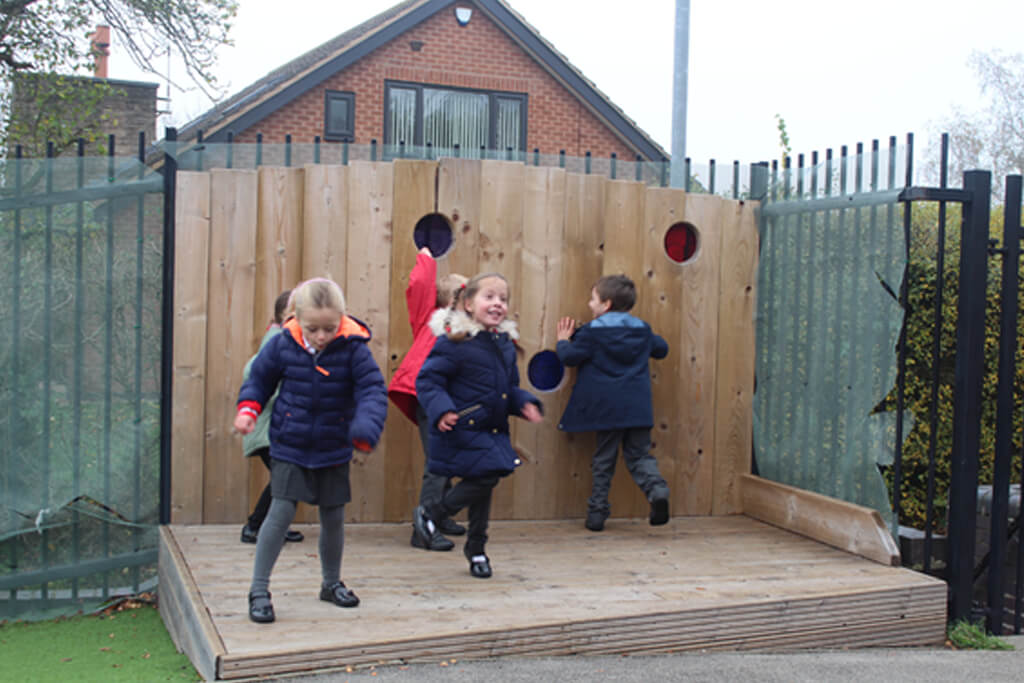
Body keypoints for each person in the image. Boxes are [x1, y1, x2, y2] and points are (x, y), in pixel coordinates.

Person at [234, 278, 387, 623]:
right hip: (291, 442)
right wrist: (248, 409)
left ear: (342, 319)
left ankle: (330, 584)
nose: (321, 336)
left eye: (329, 328)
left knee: (333, 516)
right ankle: (259, 589)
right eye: (313, 328)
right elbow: (259, 379)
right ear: (295, 318)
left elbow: (372, 391)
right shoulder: (284, 344)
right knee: (281, 510)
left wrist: (366, 426)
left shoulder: (353, 347)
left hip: (333, 445)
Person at [412, 272, 543, 578]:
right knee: (487, 479)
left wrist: (523, 402)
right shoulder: (455, 342)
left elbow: (508, 388)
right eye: (489, 297)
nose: (497, 303)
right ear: (469, 304)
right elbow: (428, 380)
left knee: (484, 490)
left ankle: (477, 550)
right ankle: (432, 513)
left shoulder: (504, 345)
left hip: (491, 428)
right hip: (462, 426)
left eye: (503, 298)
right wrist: (442, 410)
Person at [555, 274, 671, 532]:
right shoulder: (642, 329)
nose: (589, 303)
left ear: (605, 304)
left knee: (603, 460)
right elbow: (661, 349)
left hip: (606, 409)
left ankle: (597, 514)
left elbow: (570, 357)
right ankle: (657, 490)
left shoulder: (591, 333)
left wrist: (563, 339)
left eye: (593, 299)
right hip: (638, 408)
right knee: (639, 455)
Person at [389, 246, 469, 551]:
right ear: (452, 301)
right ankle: (425, 525)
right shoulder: (432, 320)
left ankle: (440, 514)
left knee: (446, 458)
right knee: (438, 461)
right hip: (428, 398)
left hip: (446, 402)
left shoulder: (465, 329)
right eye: (468, 296)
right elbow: (419, 286)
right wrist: (426, 256)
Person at [239, 289, 304, 545]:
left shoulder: (280, 337)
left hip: (272, 426)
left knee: (288, 478)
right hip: (268, 428)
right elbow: (256, 375)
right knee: (288, 477)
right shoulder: (278, 340)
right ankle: (255, 526)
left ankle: (271, 524)